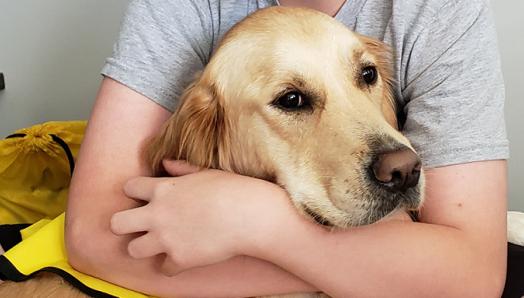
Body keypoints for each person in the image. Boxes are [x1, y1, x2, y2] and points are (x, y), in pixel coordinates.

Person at [65, 0, 509, 297]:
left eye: (367, 75)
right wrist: (396, 267)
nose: (398, 157)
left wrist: (257, 223)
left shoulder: (441, 10)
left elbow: (474, 275)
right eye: (292, 100)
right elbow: (92, 235)